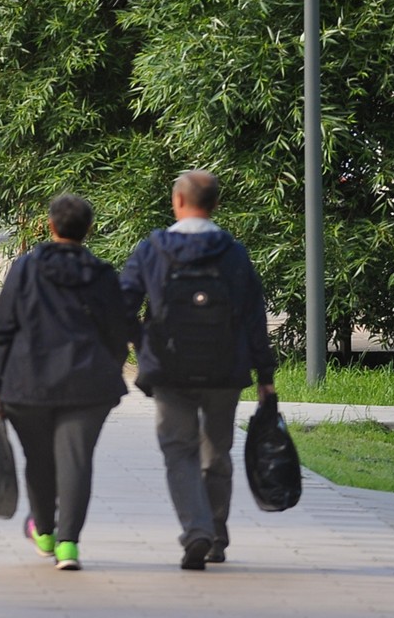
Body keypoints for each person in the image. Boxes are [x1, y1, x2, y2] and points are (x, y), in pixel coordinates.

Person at [120, 169, 278, 570]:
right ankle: (216, 537)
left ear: (177, 201)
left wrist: (143, 342)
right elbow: (253, 317)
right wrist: (266, 375)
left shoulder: (152, 249)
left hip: (170, 368)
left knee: (179, 451)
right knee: (216, 451)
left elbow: (121, 306)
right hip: (225, 368)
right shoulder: (234, 252)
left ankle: (196, 530)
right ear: (216, 205)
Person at [0, 193, 131, 572]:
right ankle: (68, 545)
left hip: (26, 382)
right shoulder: (101, 274)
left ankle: (44, 531)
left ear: (50, 226)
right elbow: (119, 330)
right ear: (89, 229)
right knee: (77, 462)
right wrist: (111, 370)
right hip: (88, 384)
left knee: (39, 460)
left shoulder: (25, 269)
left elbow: (4, 328)